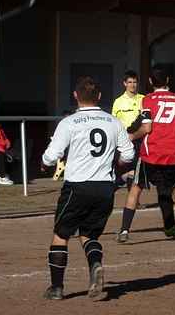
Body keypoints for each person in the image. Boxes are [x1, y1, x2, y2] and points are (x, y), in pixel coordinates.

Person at [41, 76, 135, 301]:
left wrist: (44, 163)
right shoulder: (113, 122)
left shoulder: (69, 122)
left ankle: (56, 288)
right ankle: (95, 265)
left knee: (61, 234)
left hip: (77, 187)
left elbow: (52, 156)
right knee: (89, 234)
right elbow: (129, 154)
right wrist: (118, 163)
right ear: (100, 97)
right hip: (104, 189)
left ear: (75, 96)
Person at [116, 67, 175, 246]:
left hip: (151, 153)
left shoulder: (147, 100)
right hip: (173, 154)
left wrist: (132, 136)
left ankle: (124, 230)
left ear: (150, 81)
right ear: (168, 80)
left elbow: (147, 128)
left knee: (136, 189)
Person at [112, 70, 145, 186]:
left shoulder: (143, 99)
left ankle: (134, 202)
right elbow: (114, 123)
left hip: (139, 140)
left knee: (137, 173)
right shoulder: (118, 102)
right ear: (124, 83)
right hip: (123, 141)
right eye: (130, 82)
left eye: (135, 82)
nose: (132, 85)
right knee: (120, 174)